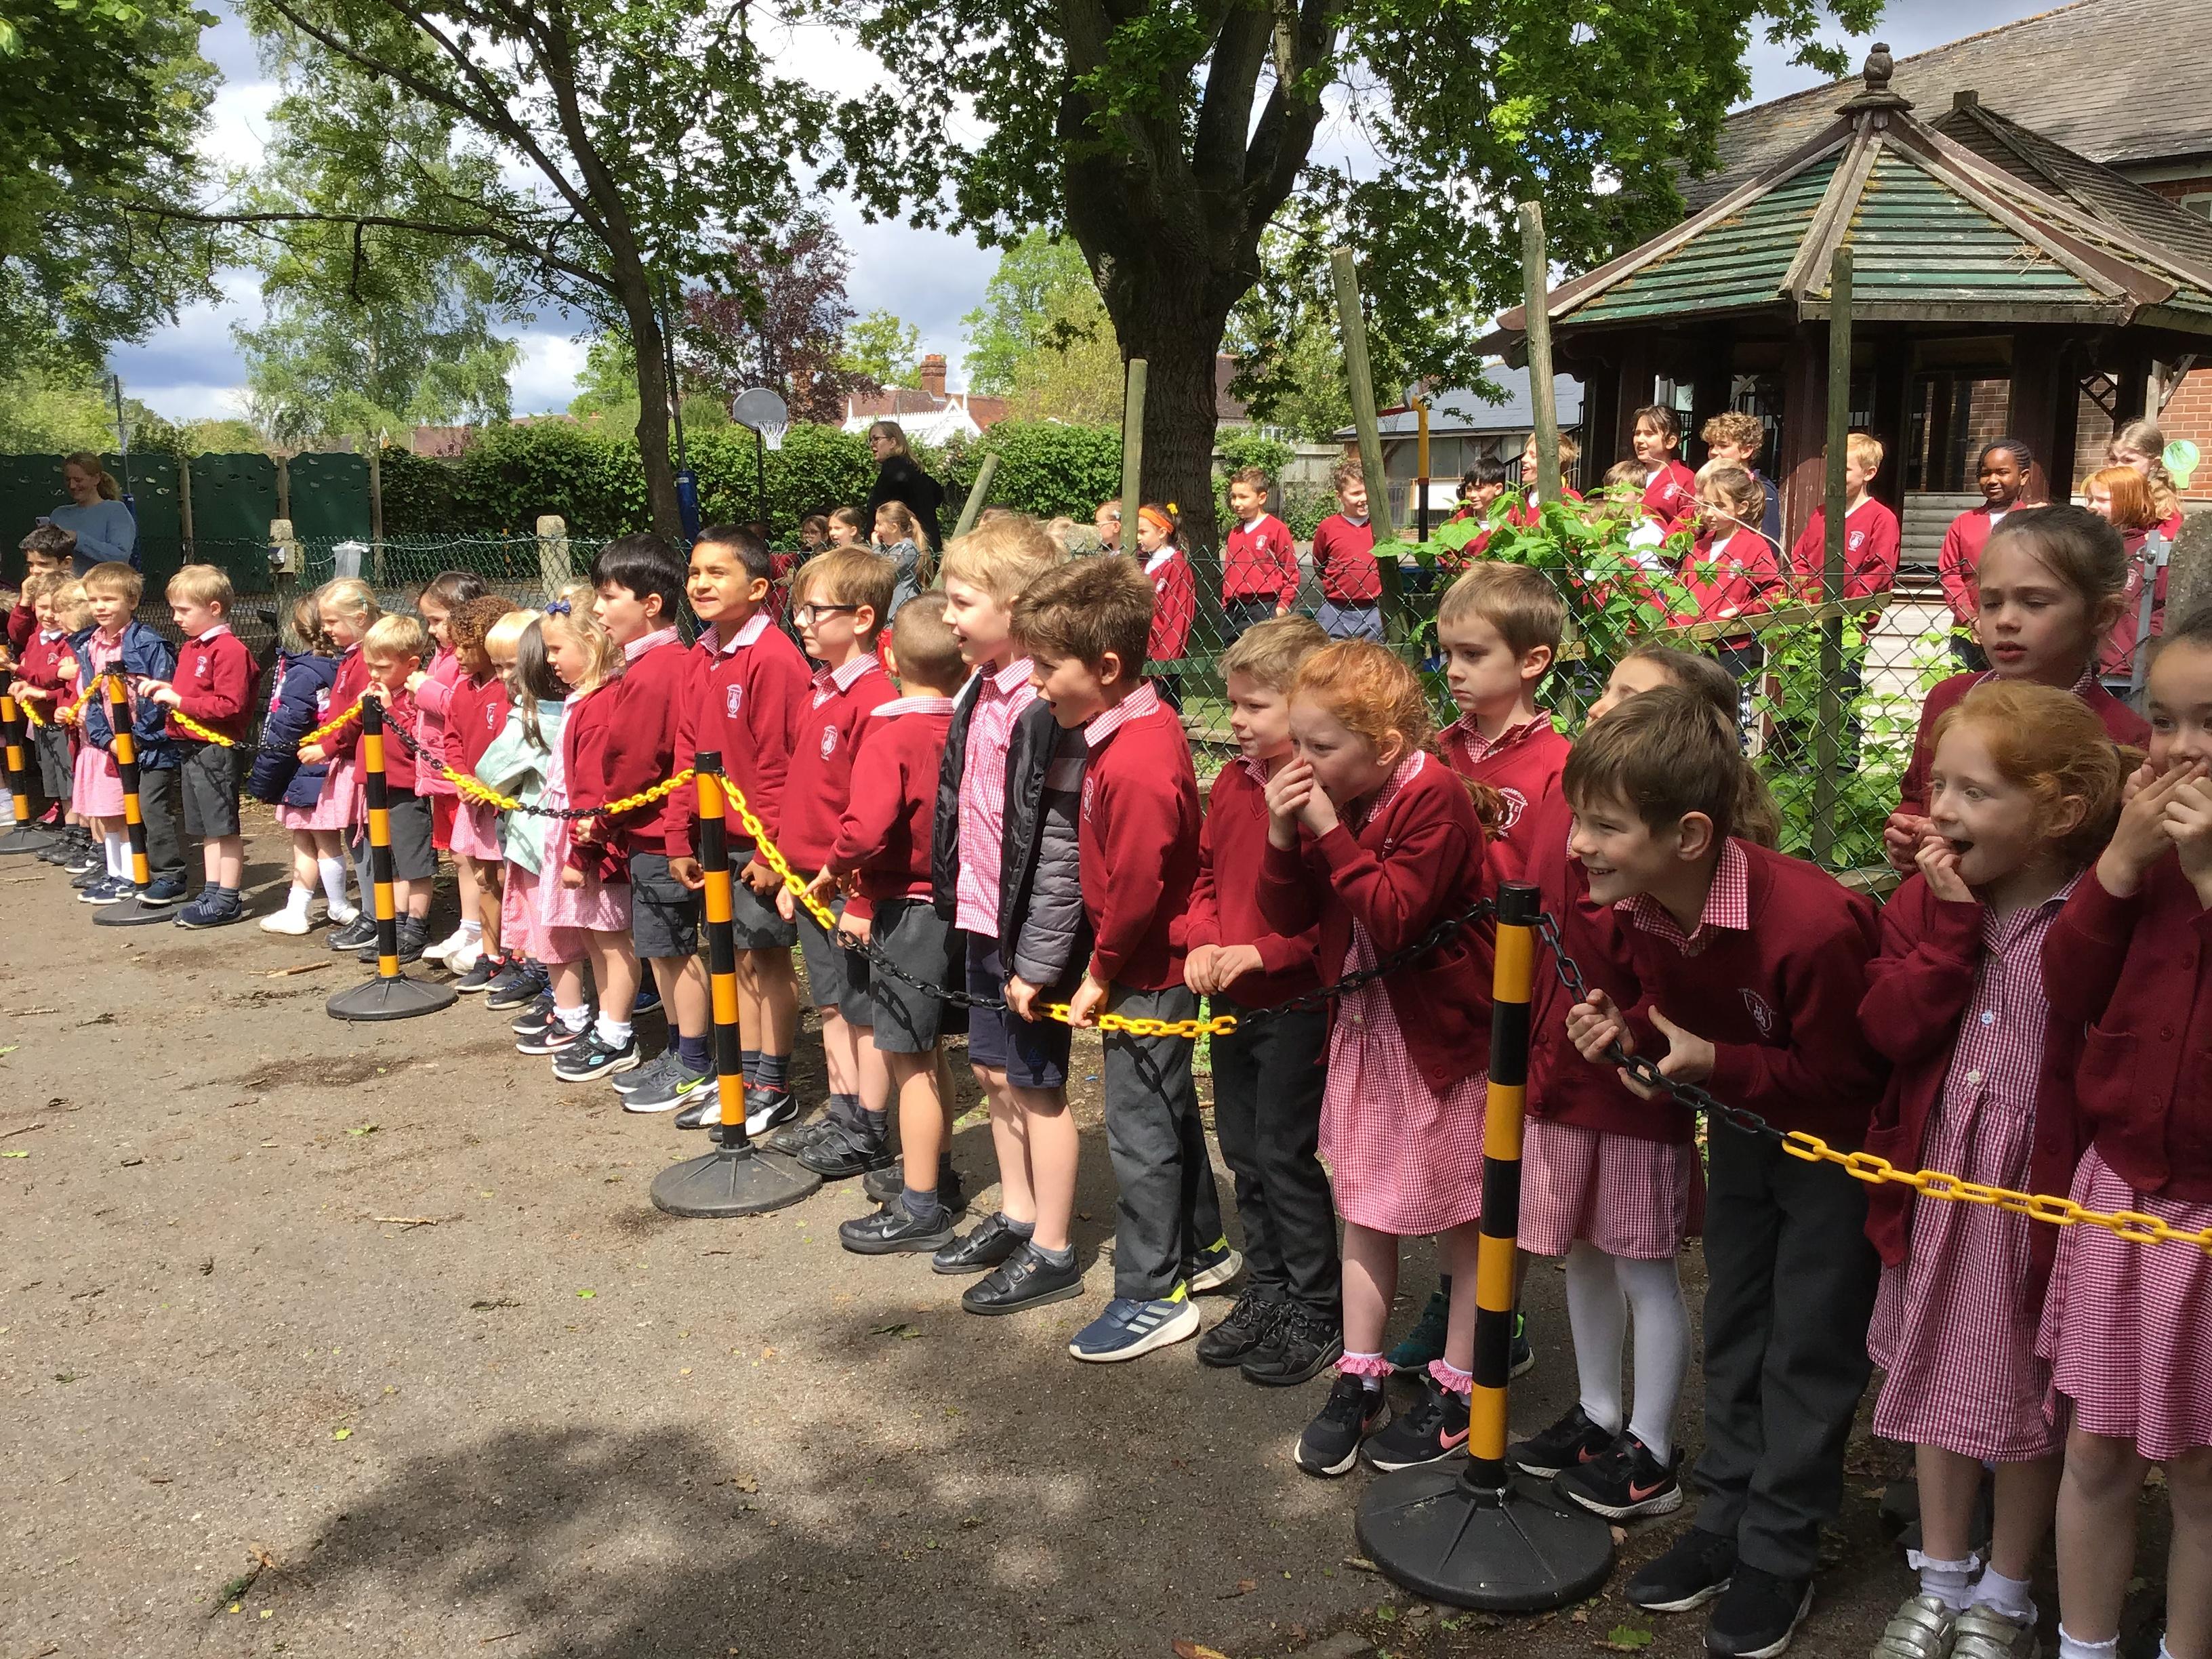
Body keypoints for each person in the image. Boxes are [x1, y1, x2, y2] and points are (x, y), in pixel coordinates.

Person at [1564, 689, 1885, 1659]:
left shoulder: (1813, 925)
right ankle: (1727, 1518)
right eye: (1581, 818)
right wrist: (1630, 1035)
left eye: (1604, 825)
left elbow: (1851, 1080)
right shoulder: (1648, 907)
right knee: (1738, 1324)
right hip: (1749, 1132)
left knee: (1808, 1346)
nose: (1578, 843)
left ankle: (1780, 1551)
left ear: (1690, 835)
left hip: (1837, 1156)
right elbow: (1673, 1016)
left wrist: (1717, 1064)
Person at [1858, 682, 2123, 1659]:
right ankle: (1940, 1575)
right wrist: (1950, 927)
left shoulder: (2093, 918)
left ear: (2057, 813)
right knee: (1934, 1371)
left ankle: (2006, 1591)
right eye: (1940, 786)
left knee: (2028, 1393)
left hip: (2035, 1199)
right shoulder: (1923, 905)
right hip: (1940, 1183)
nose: (1944, 810)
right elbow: (1889, 1028)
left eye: (1975, 793)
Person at [1507, 647, 1775, 1525]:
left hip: (1633, 1088)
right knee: (1583, 1251)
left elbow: (1674, 983)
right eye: (1608, 689)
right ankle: (1598, 1415)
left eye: (1632, 697)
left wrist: (1634, 1038)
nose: (1601, 705)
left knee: (1643, 1265)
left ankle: (1652, 1450)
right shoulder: (1589, 806)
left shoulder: (1672, 869)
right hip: (1564, 1065)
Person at [1260, 640, 1497, 1478]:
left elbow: (1395, 917)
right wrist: (1283, 833)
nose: (1302, 761)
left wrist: (1326, 830)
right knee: (1363, 1206)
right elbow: (1285, 913)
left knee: (1462, 1219)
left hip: (1441, 1045)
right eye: (1297, 743)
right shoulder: (1344, 793)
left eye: (1320, 746)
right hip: (1367, 1034)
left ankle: (1463, 1386)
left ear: (1386, 746)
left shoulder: (1432, 798)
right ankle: (1360, 1379)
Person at [2039, 609, 2212, 1659]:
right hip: (2121, 1192)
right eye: (2165, 720)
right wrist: (2115, 867)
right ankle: (2085, 1644)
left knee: (2201, 1472)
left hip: (2208, 1224)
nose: (2182, 749)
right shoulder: (2139, 851)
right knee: (2096, 1446)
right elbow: (2066, 989)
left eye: (2211, 723)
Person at [1015, 555, 1231, 1362]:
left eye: (1047, 666)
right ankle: (1203, 1247)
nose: (1036, 682)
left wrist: (1099, 973)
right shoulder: (1132, 729)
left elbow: (1137, 887)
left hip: (1145, 970)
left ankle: (1151, 1294)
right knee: (1165, 1110)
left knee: (1138, 1132)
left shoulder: (1136, 758)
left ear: (1106, 668)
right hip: (1143, 964)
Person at [927, 514, 1090, 1314]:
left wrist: (1042, 955)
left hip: (1029, 931)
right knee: (992, 1072)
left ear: (1016, 607)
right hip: (981, 913)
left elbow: (1058, 844)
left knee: (1036, 1083)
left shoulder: (1046, 704)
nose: (948, 616)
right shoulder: (981, 687)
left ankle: (1054, 1246)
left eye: (962, 602)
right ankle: (1019, 1212)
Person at [1185, 615, 1340, 1387]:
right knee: (1243, 1150)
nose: (1237, 720)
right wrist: (1202, 940)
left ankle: (1317, 1306)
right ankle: (1270, 1288)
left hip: (1296, 1004)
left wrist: (1263, 953)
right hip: (1233, 1000)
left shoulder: (1319, 797)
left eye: (1255, 706)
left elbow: (1335, 919)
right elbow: (1207, 877)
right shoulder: (1231, 784)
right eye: (1233, 704)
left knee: (1284, 1152)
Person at [1889, 506, 2149, 873]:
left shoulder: (2123, 739)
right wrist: (1908, 829)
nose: (2006, 621)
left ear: (2102, 614)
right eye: (1991, 603)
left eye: (2034, 603)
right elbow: (1917, 798)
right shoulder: (1949, 700)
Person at [830, 596, 970, 1253]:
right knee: (932, 1050)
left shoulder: (892, 737)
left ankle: (920, 1206)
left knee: (909, 1061)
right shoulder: (966, 728)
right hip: (953, 904)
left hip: (906, 910)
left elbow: (865, 830)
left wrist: (835, 866)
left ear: (888, 655)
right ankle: (935, 1172)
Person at [668, 525, 810, 1139]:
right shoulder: (700, 654)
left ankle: (773, 1086)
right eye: (695, 572)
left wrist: (770, 849)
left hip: (757, 842)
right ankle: (742, 1079)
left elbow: (781, 764)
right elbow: (686, 750)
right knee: (734, 962)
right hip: (712, 840)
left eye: (717, 573)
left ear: (756, 589)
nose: (700, 584)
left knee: (765, 961)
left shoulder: (772, 658)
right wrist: (678, 836)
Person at [771, 550, 901, 1176]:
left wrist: (862, 897)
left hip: (846, 885)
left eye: (814, 610)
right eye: (799, 608)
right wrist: (787, 869)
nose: (800, 620)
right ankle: (844, 1108)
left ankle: (869, 1126)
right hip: (807, 880)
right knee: (829, 1002)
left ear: (862, 618)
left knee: (861, 1008)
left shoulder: (872, 701)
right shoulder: (820, 690)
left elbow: (874, 815)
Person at [577, 533, 709, 1099]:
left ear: (651, 604)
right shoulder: (663, 663)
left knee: (673, 952)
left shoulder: (655, 671)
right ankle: (680, 1051)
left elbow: (634, 762)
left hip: (657, 833)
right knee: (662, 950)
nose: (598, 609)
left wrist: (604, 818)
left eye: (610, 597)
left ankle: (693, 1059)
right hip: (653, 830)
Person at [516, 588, 638, 1073]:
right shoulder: (582, 698)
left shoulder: (602, 704)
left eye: (556, 649)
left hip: (592, 841)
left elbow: (593, 789)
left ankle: (617, 1032)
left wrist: (581, 855)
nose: (549, 660)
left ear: (591, 642)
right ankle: (604, 1022)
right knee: (591, 935)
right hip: (571, 833)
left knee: (611, 937)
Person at [140, 565, 262, 928]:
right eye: (175, 609)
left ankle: (228, 897)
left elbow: (229, 705)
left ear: (214, 608)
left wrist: (178, 701)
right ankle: (212, 891)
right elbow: (193, 694)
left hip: (215, 749)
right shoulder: (194, 647)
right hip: (191, 747)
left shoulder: (229, 650)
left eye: (184, 610)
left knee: (223, 826)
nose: (176, 618)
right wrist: (167, 691)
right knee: (207, 826)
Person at [1433, 561, 1570, 882]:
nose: (1452, 671)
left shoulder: (1559, 769)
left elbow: (1553, 885)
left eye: (1472, 654)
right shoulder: (1438, 751)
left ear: (1532, 661)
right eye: (1448, 653)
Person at [73, 562, 183, 905]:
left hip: (150, 744)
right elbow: (91, 698)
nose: (100, 607)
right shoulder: (90, 645)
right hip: (114, 743)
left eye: (109, 599)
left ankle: (168, 875)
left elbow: (161, 695)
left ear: (132, 601)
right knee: (114, 809)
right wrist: (107, 739)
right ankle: (121, 872)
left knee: (151, 807)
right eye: (94, 600)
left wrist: (138, 739)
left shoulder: (147, 643)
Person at [478, 615, 569, 1022]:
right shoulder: (575, 708)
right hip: (569, 835)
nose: (503, 676)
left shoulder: (528, 720)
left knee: (542, 917)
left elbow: (491, 773)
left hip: (534, 838)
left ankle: (556, 994)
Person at [405, 571, 493, 968]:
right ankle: (469, 925)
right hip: (440, 772)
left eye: (438, 620)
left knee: (474, 854)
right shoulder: (442, 654)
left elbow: (459, 705)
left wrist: (423, 689)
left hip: (459, 774)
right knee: (459, 854)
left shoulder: (470, 658)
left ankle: (483, 931)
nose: (432, 630)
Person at [430, 596, 514, 989]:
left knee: (510, 878)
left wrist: (490, 785)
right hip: (473, 802)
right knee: (484, 878)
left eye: (466, 646)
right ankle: (491, 951)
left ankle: (517, 953)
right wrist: (463, 779)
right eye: (455, 646)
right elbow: (452, 741)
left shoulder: (507, 691)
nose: (458, 655)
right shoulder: (463, 690)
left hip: (502, 802)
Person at [297, 577, 382, 951]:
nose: (326, 629)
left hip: (360, 758)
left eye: (333, 621)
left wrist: (328, 746)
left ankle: (377, 915)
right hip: (349, 759)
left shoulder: (366, 659)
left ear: (360, 617)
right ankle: (371, 911)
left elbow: (359, 715)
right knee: (356, 837)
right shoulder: (350, 657)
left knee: (365, 838)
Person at [350, 614, 437, 960]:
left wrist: (390, 710)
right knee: (391, 862)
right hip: (376, 790)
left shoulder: (414, 698)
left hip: (405, 791)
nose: (374, 674)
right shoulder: (376, 691)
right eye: (370, 666)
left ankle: (416, 925)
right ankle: (397, 924)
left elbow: (416, 741)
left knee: (414, 863)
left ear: (411, 664)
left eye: (382, 667)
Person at [1673, 464, 1784, 691]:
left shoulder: (1754, 545)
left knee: (1725, 705)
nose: (1709, 513)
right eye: (1706, 505)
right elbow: (1680, 588)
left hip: (1730, 646)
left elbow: (1775, 593)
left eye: (1719, 506)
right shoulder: (1698, 545)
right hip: (1689, 643)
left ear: (1741, 508)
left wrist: (1741, 610)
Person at [1938, 438, 2035, 670]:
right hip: (1968, 633)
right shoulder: (1964, 523)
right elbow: (1950, 575)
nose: (1992, 480)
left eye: (2002, 472)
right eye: (1985, 474)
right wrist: (1971, 619)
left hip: (2020, 630)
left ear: (2023, 477)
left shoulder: (2035, 522)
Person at [12, 575, 87, 865]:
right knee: (55, 779)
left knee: (70, 780)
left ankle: (79, 835)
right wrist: (26, 681)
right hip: (43, 721)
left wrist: (40, 690)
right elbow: (37, 670)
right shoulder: (36, 638)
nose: (49, 615)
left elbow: (69, 685)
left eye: (56, 609)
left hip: (61, 719)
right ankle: (70, 831)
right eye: (42, 607)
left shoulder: (69, 642)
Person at [1786, 432, 1900, 603]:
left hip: (1855, 614)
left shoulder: (1882, 519)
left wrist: (1850, 609)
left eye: (1844, 470)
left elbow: (1878, 572)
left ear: (1869, 473)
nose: (1834, 476)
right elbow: (1800, 560)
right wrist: (1805, 599)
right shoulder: (1820, 514)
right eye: (1831, 469)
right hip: (1811, 612)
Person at [2082, 463, 2167, 684]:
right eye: (2090, 499)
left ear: (2129, 502)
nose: (2092, 507)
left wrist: (2144, 655)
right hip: (2085, 666)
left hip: (2129, 672)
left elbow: (2164, 610)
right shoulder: (2086, 547)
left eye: (2102, 500)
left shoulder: (2150, 552)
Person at [1221, 465, 1300, 637]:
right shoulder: (1235, 533)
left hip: (1263, 606)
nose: (1236, 503)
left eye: (1243, 497)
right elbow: (1229, 572)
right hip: (1235, 608)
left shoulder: (1276, 529)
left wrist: (1281, 608)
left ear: (1261, 498)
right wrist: (1226, 602)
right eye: (1234, 497)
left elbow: (1291, 572)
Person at [1311, 460, 1385, 641]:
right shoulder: (1328, 527)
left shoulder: (1380, 526)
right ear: (1340, 496)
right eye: (1356, 493)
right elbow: (1319, 564)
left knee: (1372, 656)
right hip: (1335, 609)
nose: (1364, 498)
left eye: (1367, 492)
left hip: (1373, 609)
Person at [1133, 503, 1194, 708]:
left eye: (1143, 532)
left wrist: (1166, 661)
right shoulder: (1143, 563)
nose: (1138, 538)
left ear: (1162, 532)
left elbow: (1178, 616)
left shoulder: (1176, 566)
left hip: (1161, 658)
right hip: (1142, 650)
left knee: (1165, 708)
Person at [1701, 411, 1780, 548]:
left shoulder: (1763, 489)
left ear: (1746, 451)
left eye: (1723, 445)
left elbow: (1770, 544)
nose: (1713, 452)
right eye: (1711, 445)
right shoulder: (1707, 483)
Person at [864, 420, 945, 549]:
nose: (871, 444)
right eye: (870, 440)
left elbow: (879, 508)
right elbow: (939, 493)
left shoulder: (892, 469)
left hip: (901, 550)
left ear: (893, 442)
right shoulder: (914, 470)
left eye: (876, 439)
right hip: (927, 546)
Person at [52, 451, 136, 574]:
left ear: (96, 479)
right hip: (62, 584)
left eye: (78, 480)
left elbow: (120, 556)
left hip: (100, 584)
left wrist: (78, 539)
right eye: (68, 480)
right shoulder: (59, 514)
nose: (72, 485)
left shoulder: (116, 511)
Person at [2106, 416, 2186, 541]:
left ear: (2154, 463)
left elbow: (2166, 542)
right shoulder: (2100, 495)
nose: (2118, 467)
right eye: (2113, 459)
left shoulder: (2163, 507)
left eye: (2128, 460)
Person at [1633, 407, 1697, 533]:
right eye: (1637, 433)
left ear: (1670, 442)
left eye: (1649, 434)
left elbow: (1690, 526)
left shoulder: (1685, 479)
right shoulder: (1626, 473)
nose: (1639, 440)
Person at [872, 499, 937, 621]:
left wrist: (876, 547)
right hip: (890, 612)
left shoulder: (907, 548)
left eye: (879, 524)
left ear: (894, 527)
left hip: (899, 612)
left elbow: (882, 571)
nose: (875, 528)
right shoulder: (892, 549)